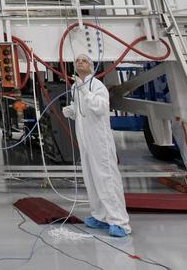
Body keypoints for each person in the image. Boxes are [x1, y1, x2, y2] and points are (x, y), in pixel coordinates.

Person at [62, 53, 131, 237]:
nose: (79, 62)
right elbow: (83, 111)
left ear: (91, 66)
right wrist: (72, 111)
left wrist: (85, 92)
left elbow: (100, 107)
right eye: (77, 60)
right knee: (91, 179)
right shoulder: (76, 87)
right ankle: (100, 216)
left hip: (99, 141)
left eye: (84, 60)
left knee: (106, 179)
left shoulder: (96, 85)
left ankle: (120, 222)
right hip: (85, 141)